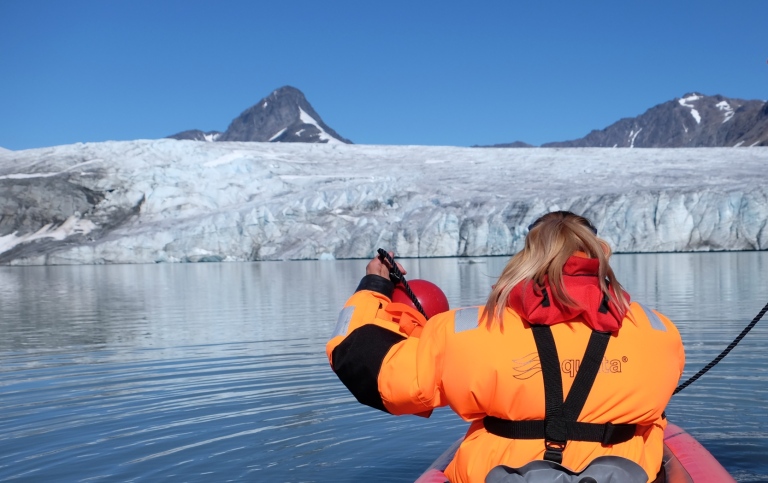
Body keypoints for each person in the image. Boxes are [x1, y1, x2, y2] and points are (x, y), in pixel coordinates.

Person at [326, 211, 685, 483]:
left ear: (528, 256)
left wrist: (374, 286)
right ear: (598, 254)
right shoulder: (659, 330)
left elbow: (373, 371)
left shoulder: (466, 329)